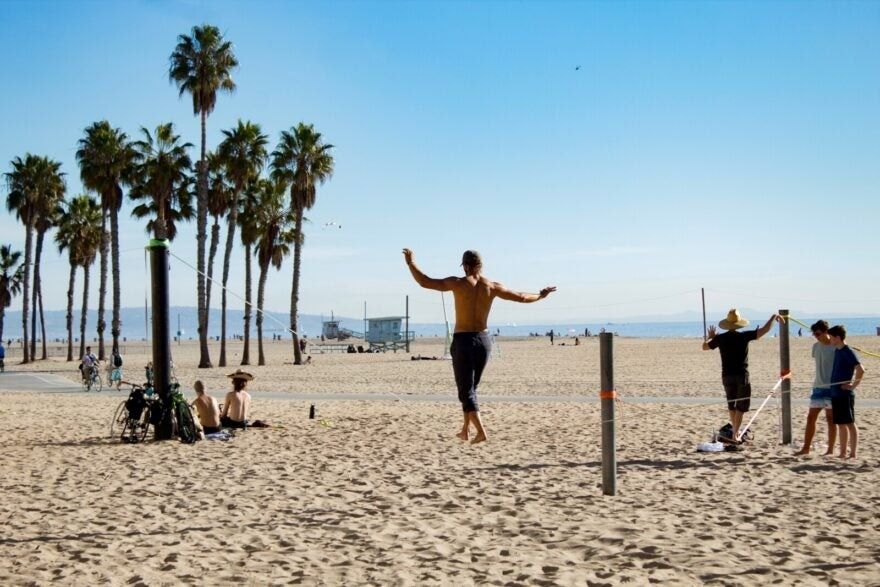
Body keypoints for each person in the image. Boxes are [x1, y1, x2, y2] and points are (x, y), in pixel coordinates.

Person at [403, 248, 555, 444]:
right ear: (480, 266)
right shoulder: (491, 286)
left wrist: (410, 263)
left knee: (466, 391)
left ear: (465, 265)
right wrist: (540, 295)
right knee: (471, 389)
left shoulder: (457, 283)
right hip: (484, 341)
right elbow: (521, 297)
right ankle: (465, 430)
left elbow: (424, 281)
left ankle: (481, 431)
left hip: (463, 341)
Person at [702, 309, 780, 443]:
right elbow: (765, 330)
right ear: (739, 324)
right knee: (741, 407)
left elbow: (704, 347)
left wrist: (710, 337)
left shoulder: (720, 338)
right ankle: (735, 433)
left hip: (727, 376)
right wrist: (774, 317)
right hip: (741, 375)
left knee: (732, 405)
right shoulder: (743, 336)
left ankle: (735, 432)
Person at [793, 320, 837, 456]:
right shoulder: (815, 347)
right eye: (814, 334)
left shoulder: (836, 347)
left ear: (826, 332)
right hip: (818, 386)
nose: (816, 336)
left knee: (831, 419)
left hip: (832, 388)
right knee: (811, 417)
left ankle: (830, 450)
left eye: (818, 334)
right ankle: (806, 448)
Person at [827, 325, 864, 459]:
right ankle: (843, 453)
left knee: (849, 423)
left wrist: (853, 386)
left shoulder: (848, 351)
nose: (829, 339)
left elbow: (861, 370)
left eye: (831, 337)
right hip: (835, 392)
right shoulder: (838, 350)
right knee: (841, 424)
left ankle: (853, 453)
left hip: (844, 394)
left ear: (837, 338)